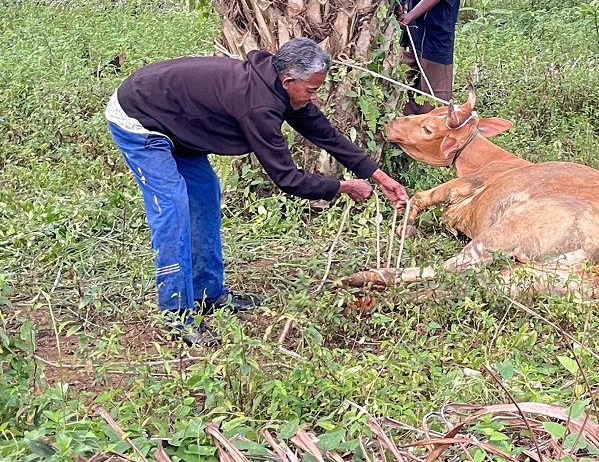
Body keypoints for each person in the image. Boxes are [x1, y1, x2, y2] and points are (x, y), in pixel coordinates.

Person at [106, 38, 410, 345]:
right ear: (288, 80)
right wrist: (342, 187)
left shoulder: (277, 84)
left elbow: (325, 134)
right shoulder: (259, 106)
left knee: (205, 196)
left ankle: (208, 294)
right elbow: (287, 178)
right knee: (173, 207)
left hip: (177, 120)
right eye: (312, 90)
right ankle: (177, 313)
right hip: (140, 118)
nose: (314, 96)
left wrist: (379, 176)